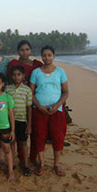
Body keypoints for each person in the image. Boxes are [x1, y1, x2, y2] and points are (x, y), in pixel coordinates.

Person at [30, 45, 69, 176]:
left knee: (58, 137)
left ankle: (56, 164)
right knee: (39, 136)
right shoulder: (36, 72)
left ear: (54, 56)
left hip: (56, 111)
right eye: (44, 55)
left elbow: (65, 92)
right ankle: (41, 164)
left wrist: (57, 105)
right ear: (41, 56)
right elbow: (30, 92)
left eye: (49, 55)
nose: (47, 57)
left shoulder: (60, 72)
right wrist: (39, 106)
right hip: (39, 110)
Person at [7, 40, 43, 166]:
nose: (25, 52)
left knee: (34, 132)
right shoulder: (13, 64)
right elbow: (9, 81)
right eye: (22, 50)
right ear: (18, 51)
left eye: (27, 49)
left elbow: (42, 80)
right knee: (17, 136)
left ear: (30, 50)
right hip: (18, 102)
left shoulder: (37, 64)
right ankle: (22, 159)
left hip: (34, 100)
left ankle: (33, 156)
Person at [5, 66, 32, 176]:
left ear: (23, 76)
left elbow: (29, 107)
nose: (16, 77)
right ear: (11, 76)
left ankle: (25, 165)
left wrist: (29, 124)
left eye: (19, 74)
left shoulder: (27, 89)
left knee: (23, 143)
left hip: (22, 120)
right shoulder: (7, 89)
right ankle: (12, 164)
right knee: (11, 142)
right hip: (10, 121)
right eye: (14, 75)